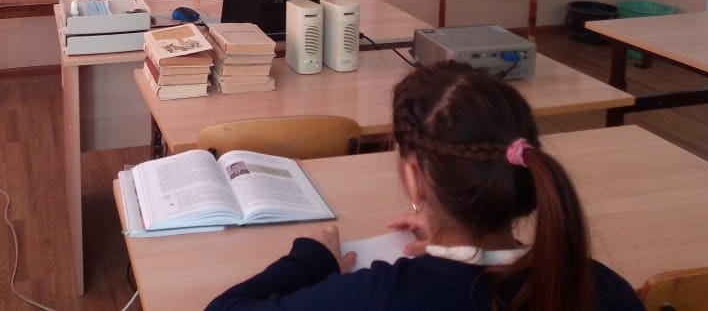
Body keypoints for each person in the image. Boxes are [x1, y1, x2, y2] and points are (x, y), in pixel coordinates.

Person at [206, 61, 644, 311]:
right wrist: (442, 234)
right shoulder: (599, 286)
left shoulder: (379, 296)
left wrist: (309, 261)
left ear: (415, 178)